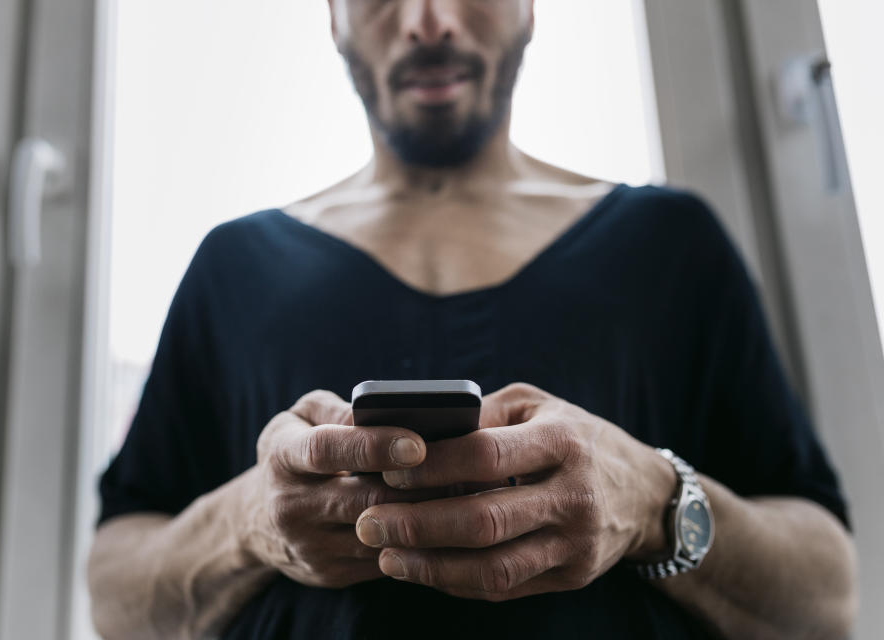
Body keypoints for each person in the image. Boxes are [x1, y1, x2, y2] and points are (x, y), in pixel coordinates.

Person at [87, 1, 858, 638]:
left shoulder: (672, 245)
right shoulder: (234, 267)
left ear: (529, 9)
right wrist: (247, 522)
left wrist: (652, 500)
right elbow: (116, 602)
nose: (430, 21)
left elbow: (825, 599)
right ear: (333, 16)